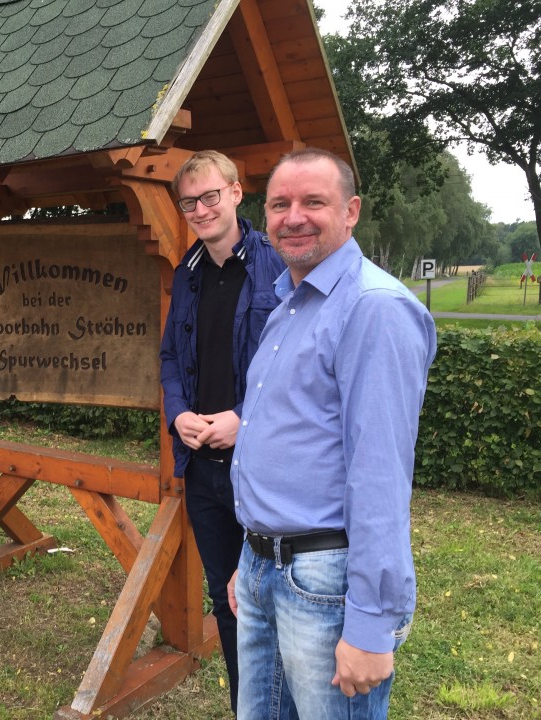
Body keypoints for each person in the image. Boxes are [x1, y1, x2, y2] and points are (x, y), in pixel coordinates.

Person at [227, 148, 437, 719]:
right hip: (265, 568)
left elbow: (380, 477)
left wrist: (370, 625)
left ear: (351, 211)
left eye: (312, 201)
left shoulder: (374, 309)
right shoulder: (288, 305)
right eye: (279, 204)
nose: (293, 216)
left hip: (326, 581)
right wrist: (252, 559)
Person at [160, 150, 286, 713]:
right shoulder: (184, 276)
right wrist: (178, 412)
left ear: (237, 193)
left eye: (211, 196)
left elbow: (294, 367)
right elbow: (169, 356)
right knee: (225, 599)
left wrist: (245, 420)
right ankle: (246, 706)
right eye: (190, 201)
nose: (201, 209)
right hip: (201, 473)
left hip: (258, 471)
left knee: (268, 599)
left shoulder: (277, 266)